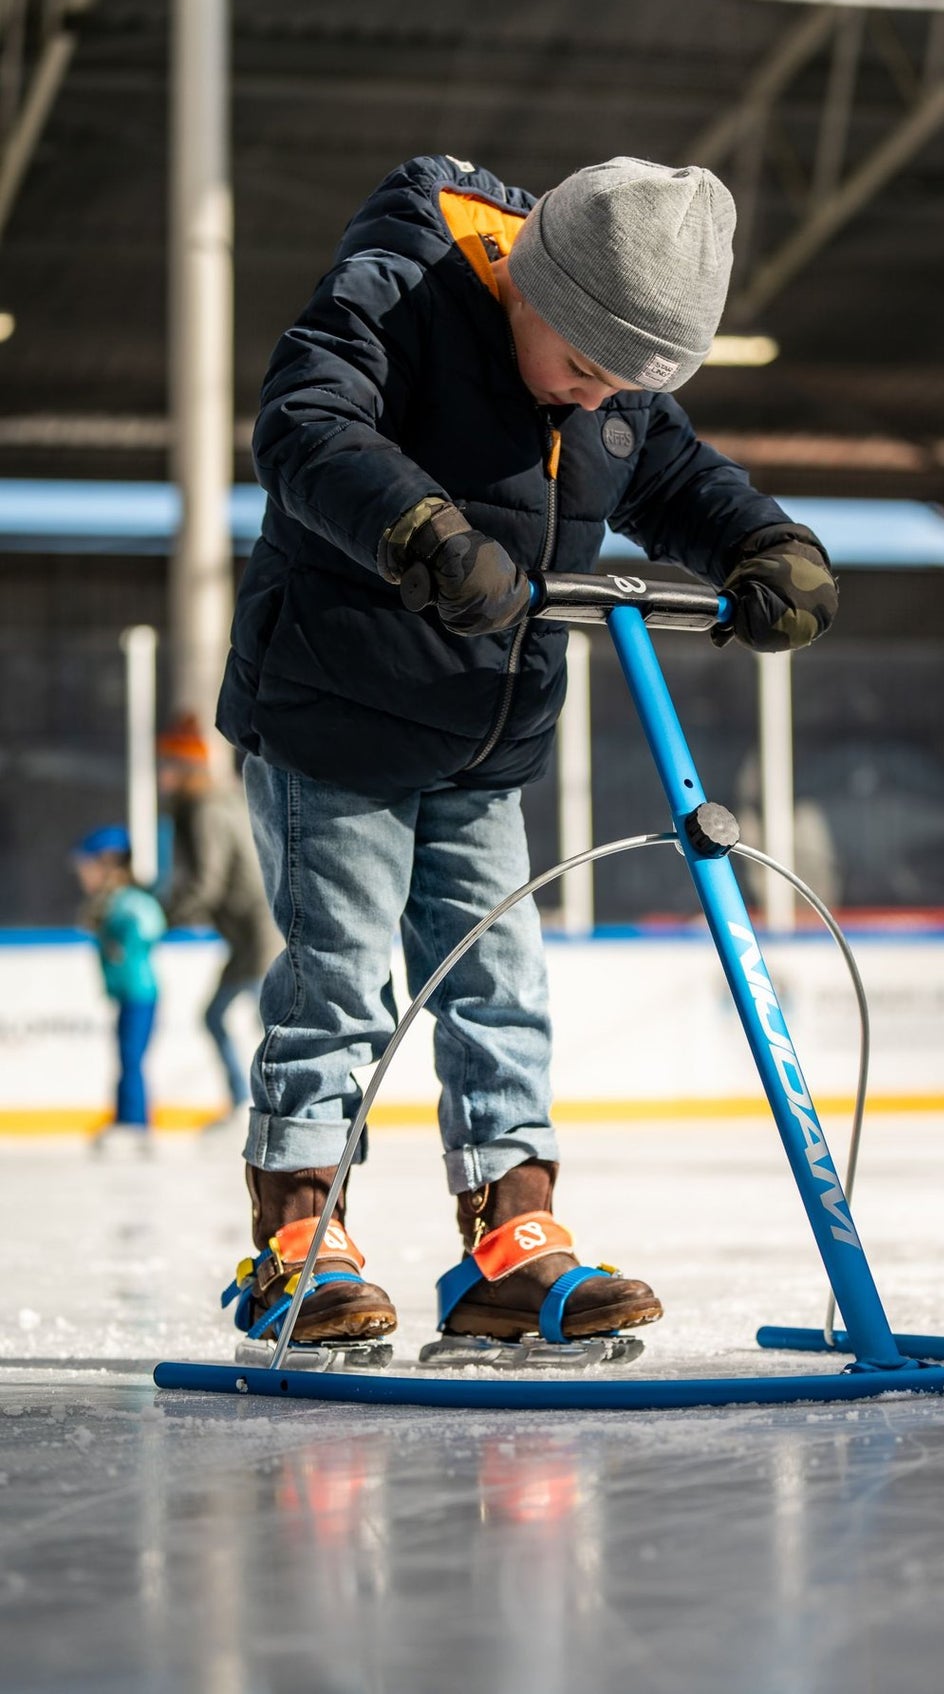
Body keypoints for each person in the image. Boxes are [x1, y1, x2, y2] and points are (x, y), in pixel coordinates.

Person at [216, 153, 838, 1351]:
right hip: (335, 712)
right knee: (339, 979)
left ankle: (512, 1239)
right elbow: (304, 419)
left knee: (501, 988)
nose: (593, 399)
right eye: (585, 368)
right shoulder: (403, 288)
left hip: (486, 734)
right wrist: (422, 530)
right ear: (530, 285)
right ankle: (297, 1237)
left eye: (622, 385)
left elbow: (675, 473)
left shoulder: (604, 383)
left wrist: (765, 542)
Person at [156, 713, 281, 1120]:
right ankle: (257, 1102)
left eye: (166, 769)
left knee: (263, 1023)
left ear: (184, 769)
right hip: (256, 931)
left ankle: (261, 1104)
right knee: (245, 1019)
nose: (162, 780)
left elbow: (206, 882)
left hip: (257, 935)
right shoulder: (221, 799)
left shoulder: (203, 809)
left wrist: (162, 917)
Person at [72, 824, 165, 1138]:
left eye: (88, 867)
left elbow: (150, 924)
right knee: (126, 1056)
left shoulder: (127, 902)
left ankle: (134, 1122)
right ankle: (127, 1117)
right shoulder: (110, 903)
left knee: (131, 1056)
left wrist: (124, 938)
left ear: (109, 864)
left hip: (139, 993)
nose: (83, 876)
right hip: (129, 993)